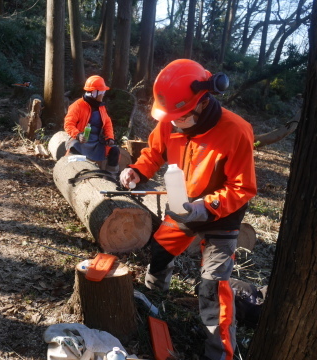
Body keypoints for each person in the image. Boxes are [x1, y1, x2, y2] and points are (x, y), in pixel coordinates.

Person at [120, 59, 257, 360]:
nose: (173, 122)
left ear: (203, 100)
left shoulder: (236, 131)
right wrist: (137, 171)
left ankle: (219, 353)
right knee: (159, 251)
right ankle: (154, 304)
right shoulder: (171, 120)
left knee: (212, 286)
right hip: (182, 207)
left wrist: (206, 207)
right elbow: (153, 152)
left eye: (179, 117)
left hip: (222, 217)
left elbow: (243, 188)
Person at [64, 75, 120, 177]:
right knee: (74, 148)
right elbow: (68, 124)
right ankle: (72, 174)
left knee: (114, 150)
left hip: (97, 141)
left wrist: (110, 137)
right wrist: (78, 135)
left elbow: (108, 123)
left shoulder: (101, 107)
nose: (103, 94)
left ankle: (111, 176)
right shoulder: (77, 106)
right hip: (80, 141)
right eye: (102, 92)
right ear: (95, 92)